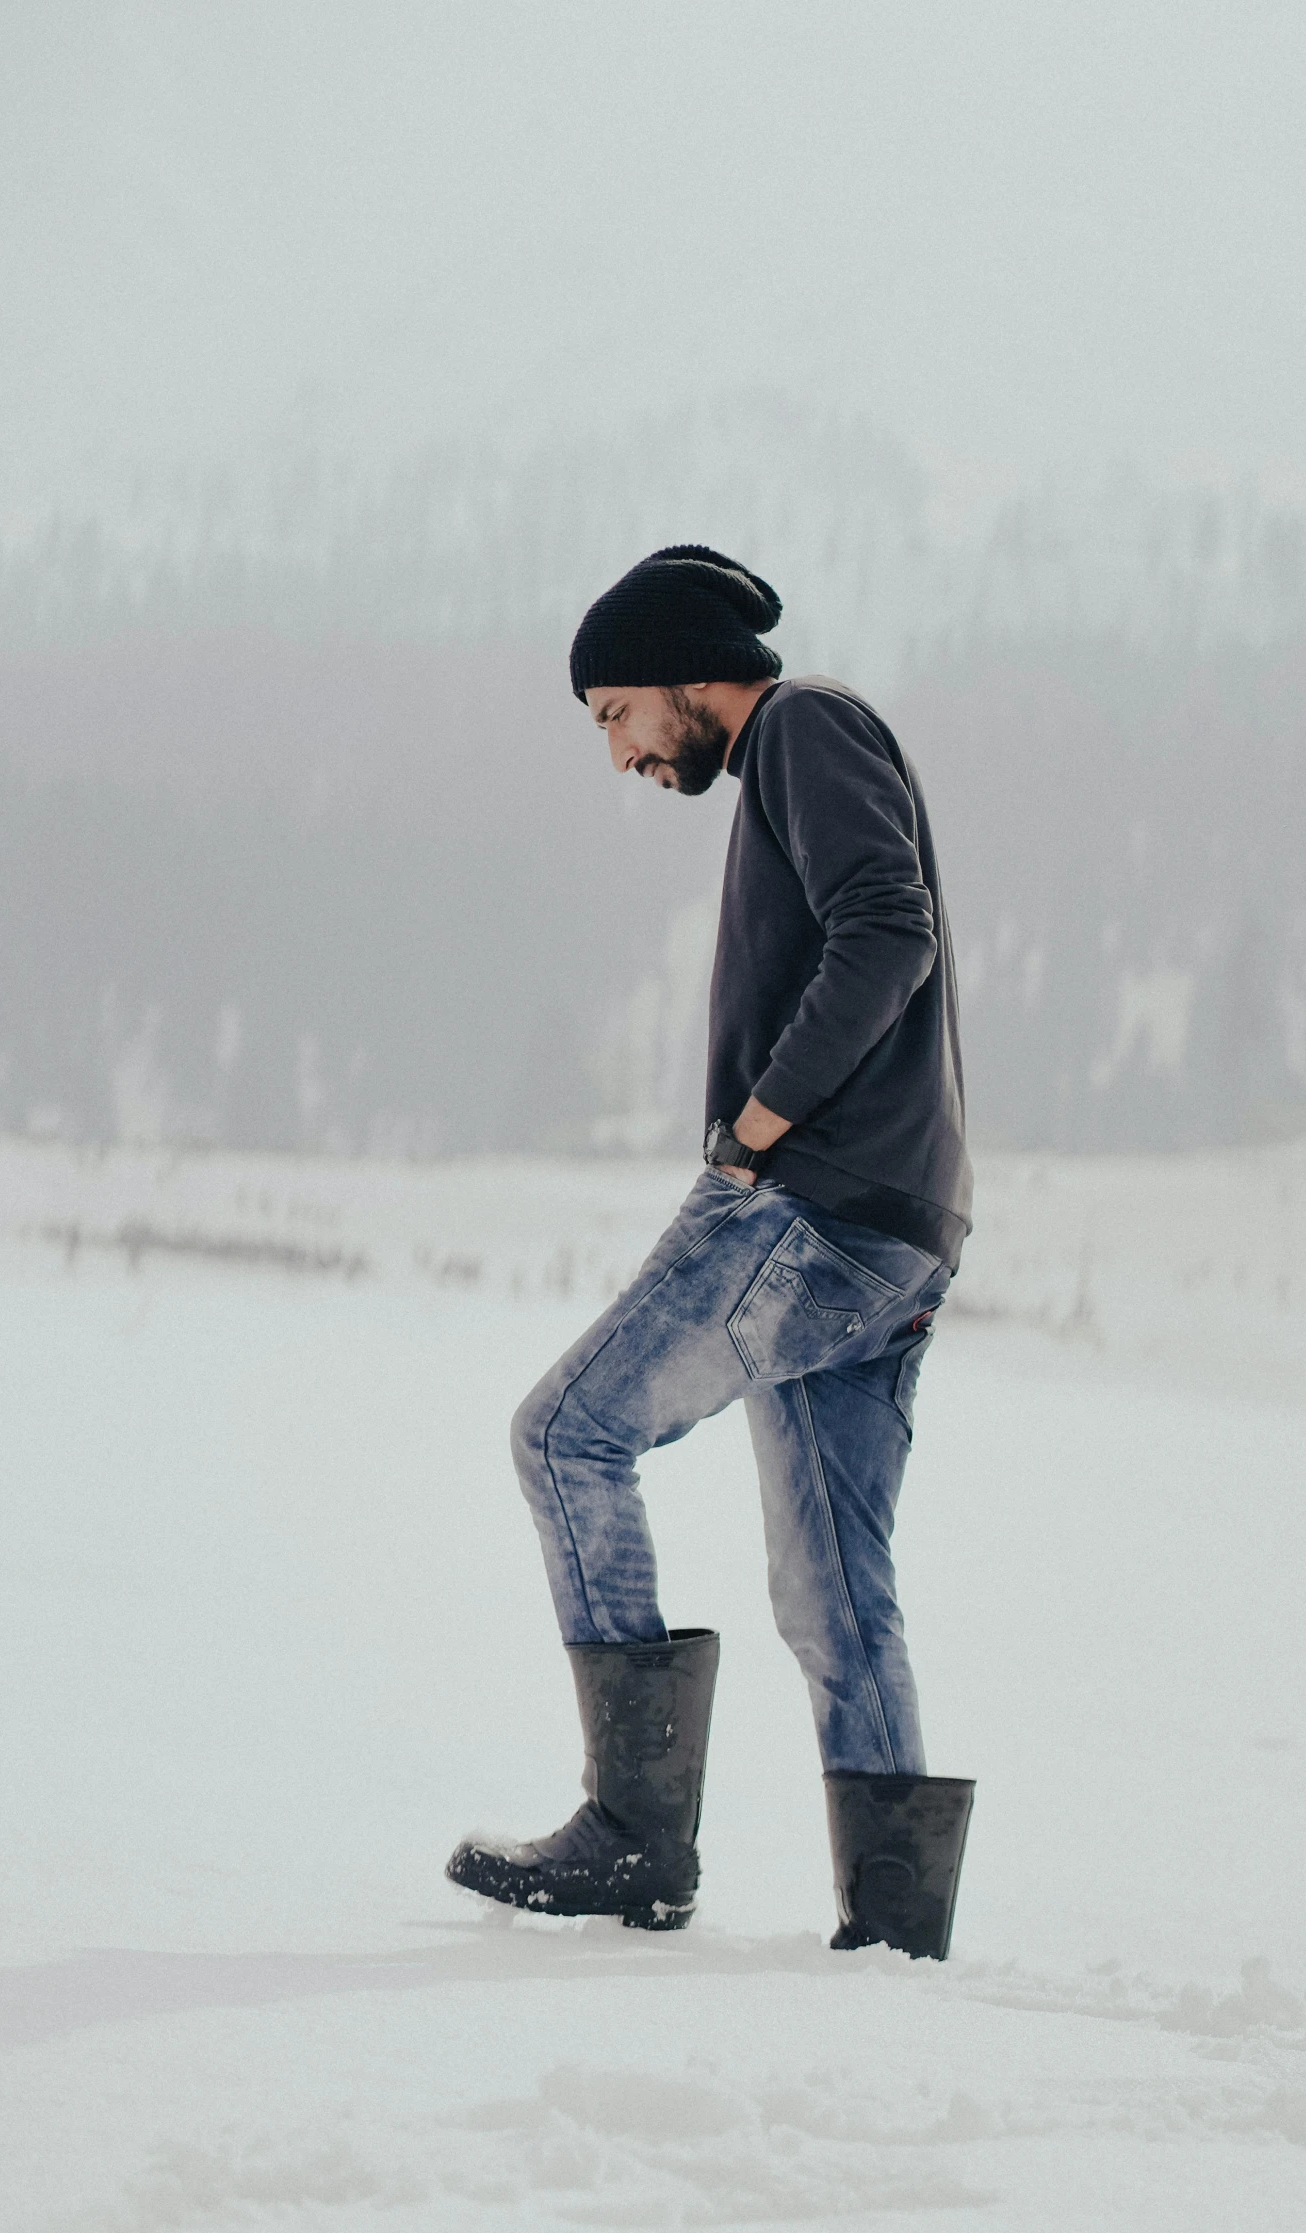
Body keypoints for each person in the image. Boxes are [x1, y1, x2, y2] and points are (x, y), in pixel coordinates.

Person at [446, 545, 975, 1958]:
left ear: (689, 675)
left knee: (564, 1433)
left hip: (807, 1215)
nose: (616, 751)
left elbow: (885, 927)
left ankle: (632, 1836)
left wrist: (754, 1124)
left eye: (613, 712)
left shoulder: (801, 722)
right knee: (834, 1591)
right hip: (893, 1237)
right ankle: (896, 1925)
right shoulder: (805, 748)